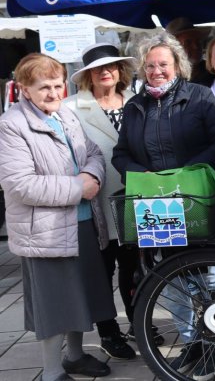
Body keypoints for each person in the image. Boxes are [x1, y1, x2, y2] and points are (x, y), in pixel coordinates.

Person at [111, 32, 215, 379]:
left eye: (163, 64)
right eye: (150, 66)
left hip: (197, 201)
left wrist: (188, 170)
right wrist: (141, 173)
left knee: (210, 276)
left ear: (178, 65)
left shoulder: (199, 96)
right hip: (158, 207)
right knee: (172, 278)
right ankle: (192, 342)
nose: (156, 71)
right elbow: (120, 154)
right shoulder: (135, 106)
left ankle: (214, 345)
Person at [0, 53, 115, 381]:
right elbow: (19, 184)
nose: (53, 93)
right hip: (45, 232)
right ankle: (51, 372)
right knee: (54, 304)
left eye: (57, 85)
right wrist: (78, 187)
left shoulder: (65, 114)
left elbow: (92, 153)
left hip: (82, 222)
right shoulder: (12, 125)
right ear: (24, 89)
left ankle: (75, 356)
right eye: (44, 87)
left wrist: (91, 177)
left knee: (80, 295)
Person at [62, 43, 139, 361]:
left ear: (121, 70)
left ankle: (139, 322)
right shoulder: (70, 107)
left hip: (136, 198)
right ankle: (108, 332)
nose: (105, 72)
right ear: (87, 75)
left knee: (135, 269)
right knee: (102, 270)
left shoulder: (137, 100)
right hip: (98, 202)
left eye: (111, 66)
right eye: (97, 68)